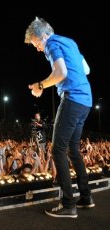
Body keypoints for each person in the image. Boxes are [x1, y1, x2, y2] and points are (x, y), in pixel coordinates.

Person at [25, 16, 94, 218]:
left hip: (72, 99)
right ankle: (86, 197)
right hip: (86, 101)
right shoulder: (70, 42)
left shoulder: (52, 43)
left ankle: (68, 205)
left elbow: (61, 72)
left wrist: (40, 86)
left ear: (44, 36)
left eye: (37, 43)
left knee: (57, 150)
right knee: (73, 148)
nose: (38, 48)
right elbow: (87, 70)